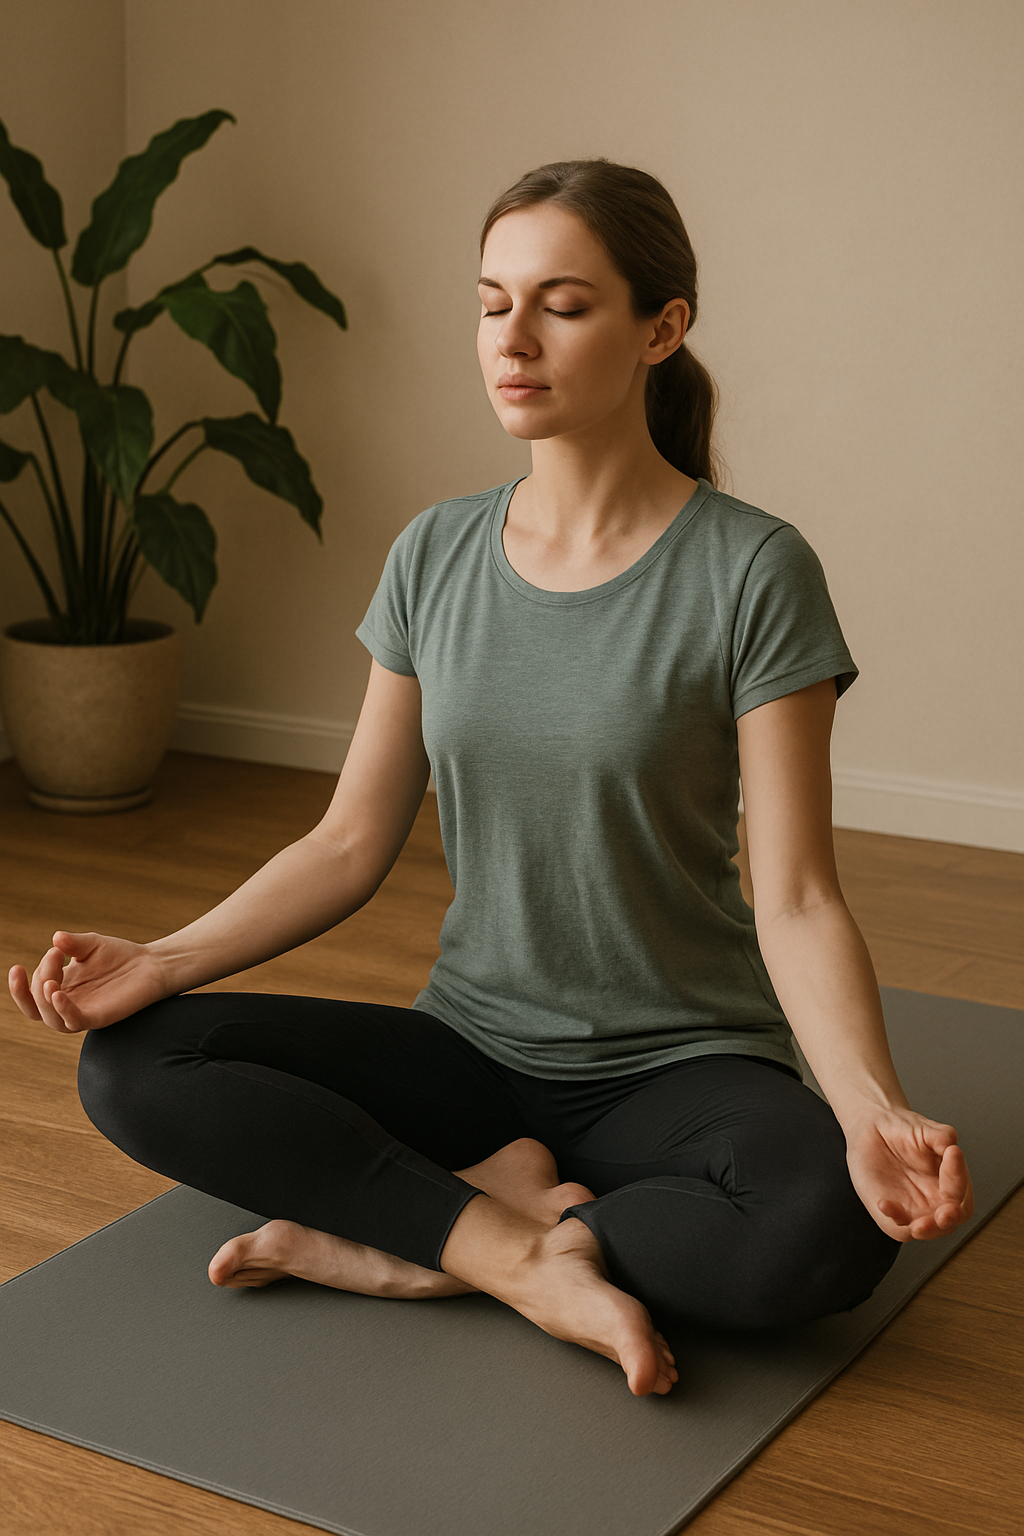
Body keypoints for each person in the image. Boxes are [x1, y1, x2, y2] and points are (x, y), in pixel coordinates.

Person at [9, 158, 974, 1400]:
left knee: (827, 1225)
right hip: (469, 1053)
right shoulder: (435, 553)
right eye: (490, 303)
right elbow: (347, 842)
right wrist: (165, 959)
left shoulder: (752, 571)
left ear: (660, 329)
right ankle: (511, 1253)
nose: (512, 339)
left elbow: (794, 897)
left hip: (678, 1067)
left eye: (561, 306)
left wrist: (869, 1108)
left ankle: (425, 1243)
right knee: (130, 1064)